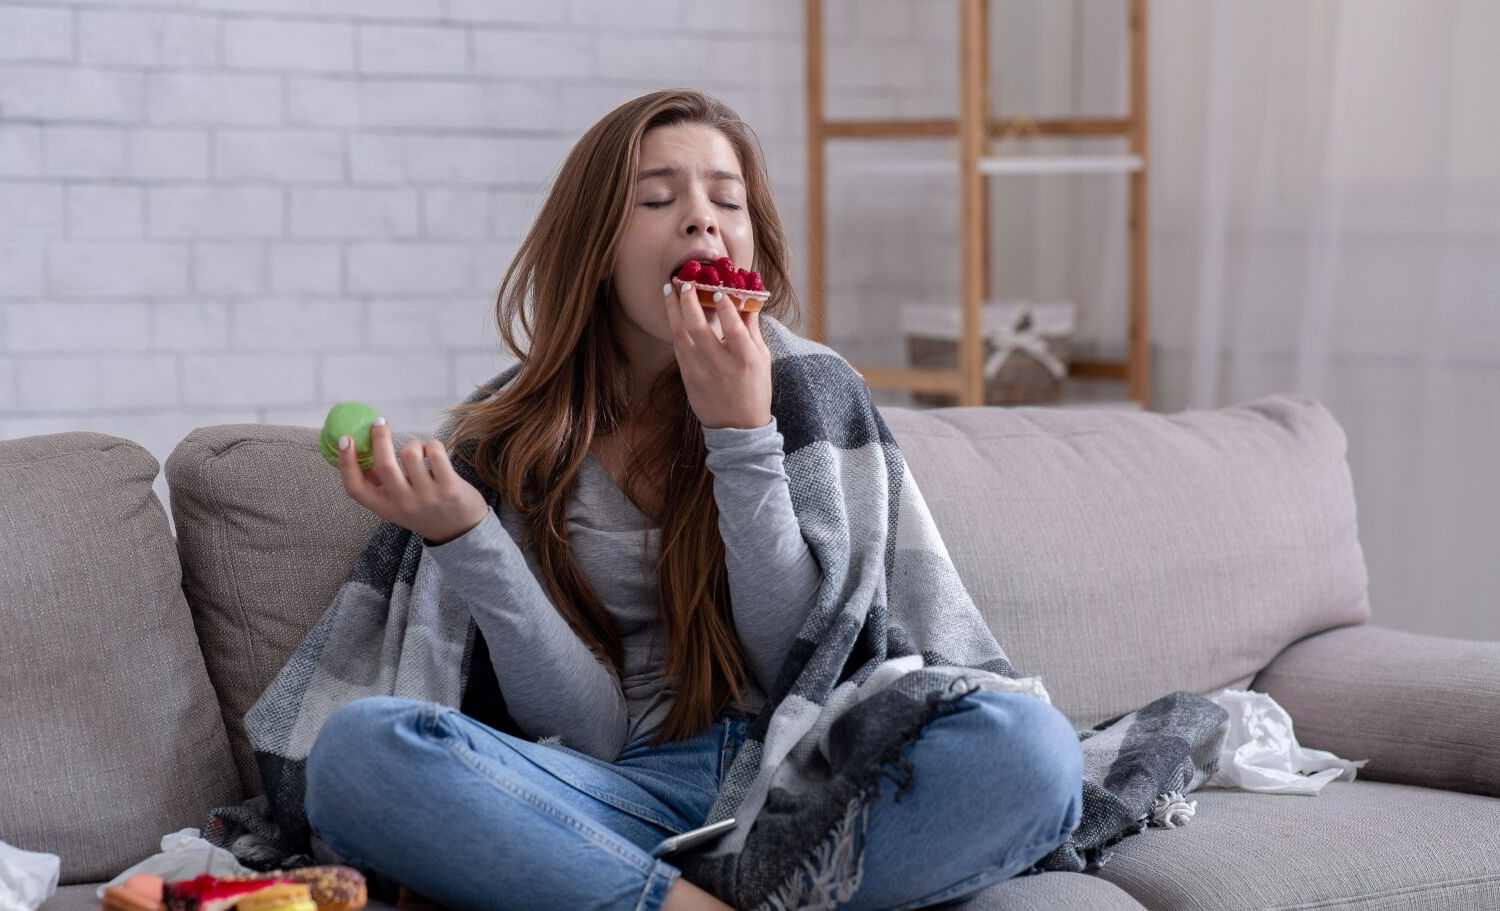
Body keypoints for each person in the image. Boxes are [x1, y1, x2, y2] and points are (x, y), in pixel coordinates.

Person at [301, 89, 1084, 911]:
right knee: (361, 751)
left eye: (727, 199)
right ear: (595, 243)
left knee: (1031, 751)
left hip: (806, 779)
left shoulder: (812, 391)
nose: (702, 220)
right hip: (613, 794)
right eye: (657, 198)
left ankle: (629, 892)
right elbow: (594, 730)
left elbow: (804, 666)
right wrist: (464, 535)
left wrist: (742, 436)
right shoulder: (512, 440)